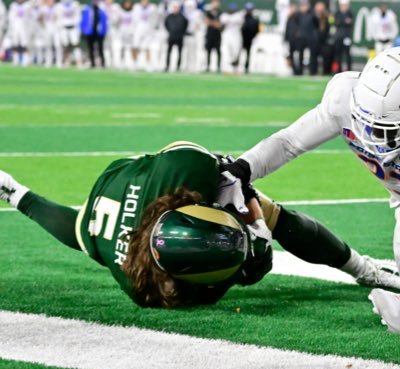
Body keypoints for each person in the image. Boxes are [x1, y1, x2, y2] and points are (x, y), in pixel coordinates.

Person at [2, 141, 400, 309]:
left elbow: (78, 230)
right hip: (119, 214)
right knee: (261, 227)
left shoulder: (185, 169)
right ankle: (364, 270)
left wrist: (232, 185)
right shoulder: (151, 290)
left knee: (262, 204)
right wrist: (257, 229)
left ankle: (362, 269)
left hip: (131, 175)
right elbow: (76, 232)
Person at [216, 48, 400, 288]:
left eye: (381, 129)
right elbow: (290, 142)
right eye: (364, 121)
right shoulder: (344, 98)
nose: (369, 135)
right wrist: (242, 169)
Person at [80, 0, 108, 68]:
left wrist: (104, 31)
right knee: (90, 48)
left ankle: (102, 63)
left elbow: (104, 22)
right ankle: (92, 63)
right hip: (90, 32)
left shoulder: (101, 11)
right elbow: (83, 20)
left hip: (99, 32)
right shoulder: (88, 10)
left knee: (100, 48)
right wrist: (83, 29)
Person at [164, 0, 188, 72]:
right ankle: (167, 66)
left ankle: (178, 66)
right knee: (169, 52)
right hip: (171, 36)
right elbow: (166, 24)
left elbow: (185, 25)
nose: (176, 9)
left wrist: (181, 33)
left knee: (180, 52)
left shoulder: (182, 17)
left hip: (179, 37)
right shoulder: (169, 16)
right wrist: (170, 31)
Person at [57, 0, 82, 66]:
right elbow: (59, 16)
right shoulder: (60, 5)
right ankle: (66, 60)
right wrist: (60, 25)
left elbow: (78, 15)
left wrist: (76, 24)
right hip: (64, 27)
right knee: (65, 45)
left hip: (73, 27)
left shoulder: (75, 4)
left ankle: (78, 61)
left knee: (75, 44)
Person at [220, 3, 243, 73]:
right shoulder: (224, 15)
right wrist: (230, 19)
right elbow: (223, 20)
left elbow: (238, 20)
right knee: (225, 52)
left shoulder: (239, 15)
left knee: (235, 53)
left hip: (236, 36)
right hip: (227, 35)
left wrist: (229, 19)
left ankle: (234, 68)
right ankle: (226, 68)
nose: (232, 11)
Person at [333, 0, 353, 73]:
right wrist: (344, 22)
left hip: (347, 37)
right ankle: (339, 71)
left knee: (347, 54)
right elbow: (336, 23)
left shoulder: (349, 13)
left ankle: (349, 70)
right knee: (338, 54)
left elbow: (349, 23)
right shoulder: (337, 13)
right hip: (339, 37)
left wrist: (342, 22)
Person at [204, 0, 222, 73]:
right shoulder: (208, 13)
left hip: (217, 35)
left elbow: (219, 25)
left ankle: (218, 67)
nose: (215, 5)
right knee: (208, 51)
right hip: (209, 34)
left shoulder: (221, 13)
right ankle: (207, 66)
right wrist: (215, 23)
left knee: (218, 51)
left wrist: (212, 22)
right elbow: (206, 22)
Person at [241, 2, 259, 74]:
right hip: (241, 38)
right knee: (240, 53)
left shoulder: (254, 20)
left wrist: (252, 36)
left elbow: (256, 30)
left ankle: (246, 67)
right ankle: (237, 66)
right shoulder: (241, 18)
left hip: (249, 39)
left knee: (248, 54)